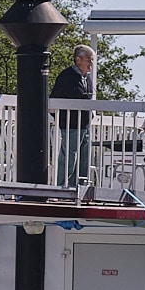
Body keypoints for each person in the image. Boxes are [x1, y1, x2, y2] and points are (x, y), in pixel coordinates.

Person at [51, 43, 94, 185]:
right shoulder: (66, 76)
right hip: (71, 124)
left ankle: (80, 188)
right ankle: (61, 187)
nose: (91, 64)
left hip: (85, 124)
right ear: (78, 60)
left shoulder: (87, 78)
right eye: (89, 60)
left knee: (84, 158)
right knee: (69, 156)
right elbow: (54, 99)